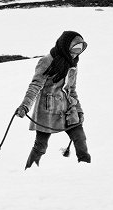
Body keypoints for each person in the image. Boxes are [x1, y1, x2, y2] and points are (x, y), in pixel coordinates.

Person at [16, 31, 91, 169]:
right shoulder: (46, 61)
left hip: (68, 110)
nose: (76, 54)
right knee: (40, 147)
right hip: (47, 111)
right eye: (74, 49)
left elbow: (71, 90)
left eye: (79, 50)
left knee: (80, 139)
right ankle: (29, 171)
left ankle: (86, 170)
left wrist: (79, 110)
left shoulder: (73, 64)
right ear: (65, 46)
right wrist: (25, 106)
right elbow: (35, 86)